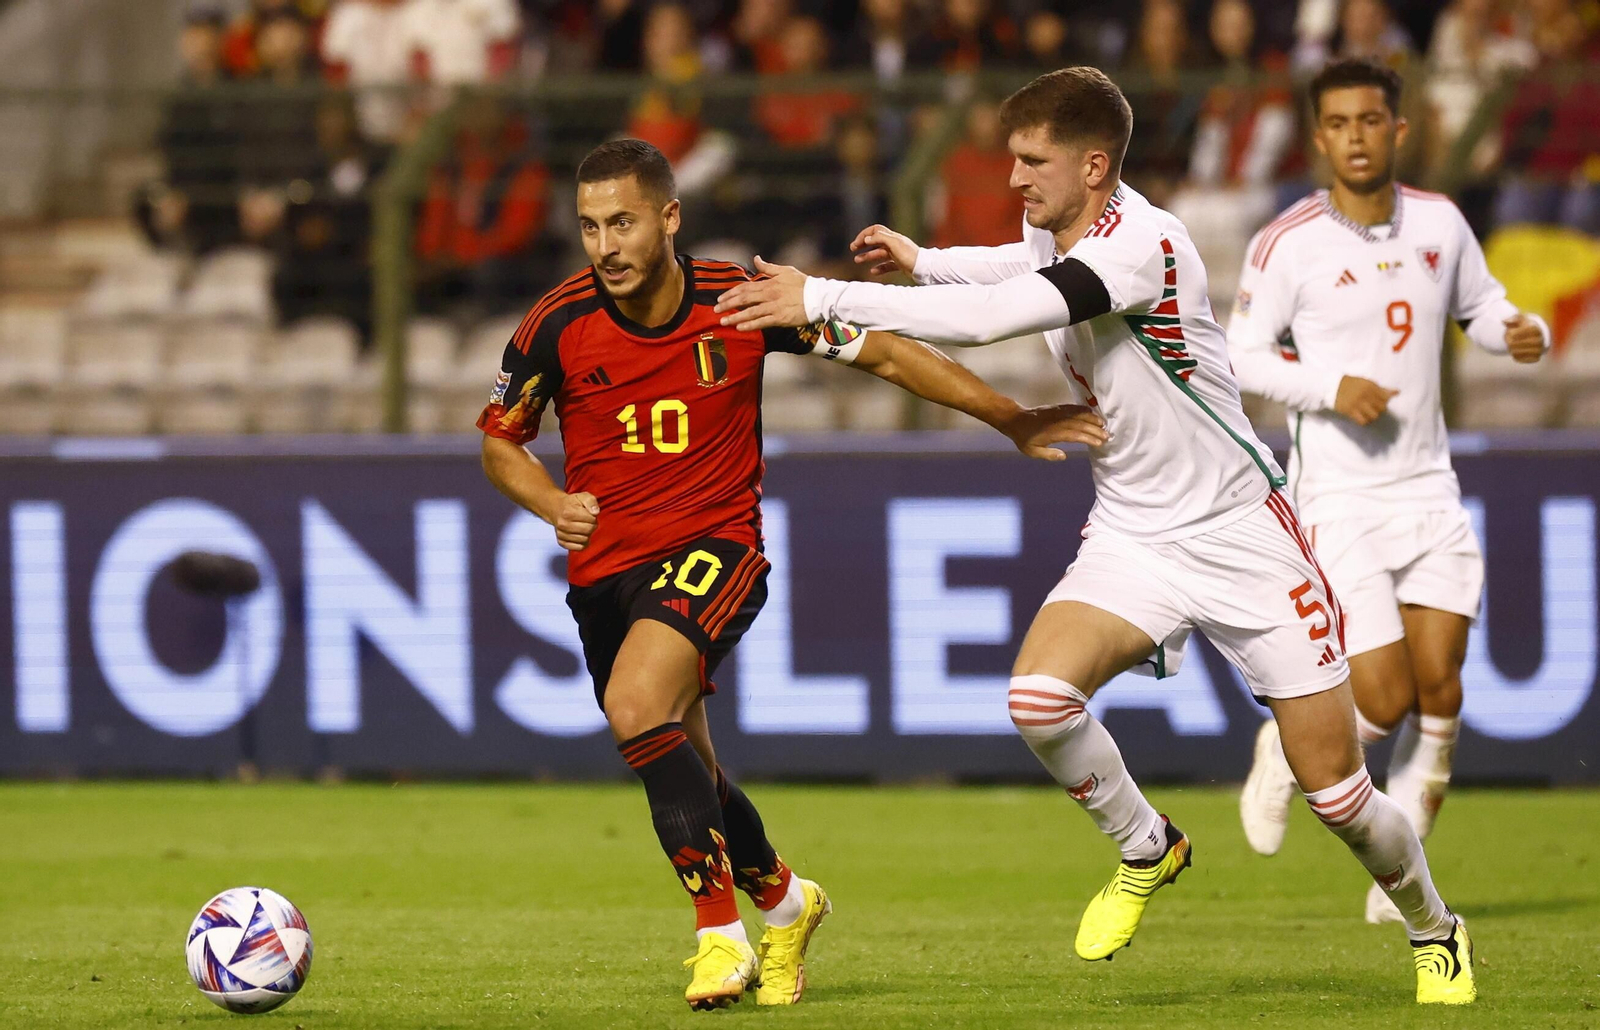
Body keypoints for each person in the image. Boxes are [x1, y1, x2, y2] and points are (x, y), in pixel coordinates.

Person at [714, 65, 1476, 1006]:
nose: (1018, 180)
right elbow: (1010, 268)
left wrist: (823, 297)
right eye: (1014, 160)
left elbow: (999, 317)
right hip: (1135, 531)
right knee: (1038, 700)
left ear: (1095, 164)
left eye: (1034, 163)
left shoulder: (1145, 246)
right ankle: (1146, 843)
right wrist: (923, 259)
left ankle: (1434, 927)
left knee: (1339, 797)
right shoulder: (1059, 226)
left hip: (1242, 535)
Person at [476, 138, 1104, 1011]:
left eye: (622, 222)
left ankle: (717, 937)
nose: (605, 246)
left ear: (669, 218)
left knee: (632, 708)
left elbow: (882, 351)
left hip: (714, 547)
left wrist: (1010, 419)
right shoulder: (557, 321)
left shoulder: (741, 302)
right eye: (589, 227)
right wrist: (549, 503)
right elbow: (500, 440)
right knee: (682, 758)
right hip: (604, 575)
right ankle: (784, 898)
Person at [1225, 58, 1549, 923]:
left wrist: (1520, 331)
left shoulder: (1441, 223)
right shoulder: (1288, 240)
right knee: (1386, 696)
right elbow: (1242, 352)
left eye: (1371, 121)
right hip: (1340, 500)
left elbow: (1483, 307)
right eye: (1338, 124)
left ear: (1398, 130)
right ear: (1319, 135)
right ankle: (1283, 755)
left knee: (1442, 685)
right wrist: (1331, 388)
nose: (1356, 137)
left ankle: (1405, 849)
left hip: (1429, 492)